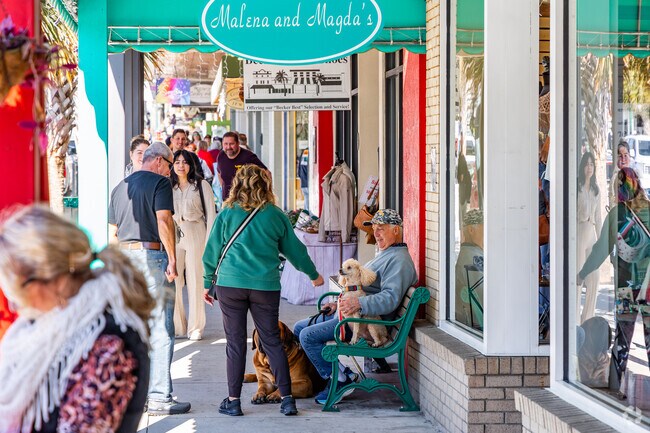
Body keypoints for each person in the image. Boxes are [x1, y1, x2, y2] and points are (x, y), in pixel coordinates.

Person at [0, 205, 154, 432]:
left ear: (55, 278)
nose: (14, 303)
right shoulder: (50, 324)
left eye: (18, 288)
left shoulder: (108, 347)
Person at [202, 164, 324, 417]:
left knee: (235, 344)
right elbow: (295, 251)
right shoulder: (275, 215)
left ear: (238, 184)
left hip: (230, 285)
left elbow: (211, 251)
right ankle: (288, 400)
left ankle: (234, 402)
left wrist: (207, 282)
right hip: (265, 287)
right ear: (266, 185)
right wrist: (313, 275)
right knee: (272, 341)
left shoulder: (226, 214)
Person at [294, 209, 418, 405]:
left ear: (396, 230)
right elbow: (362, 288)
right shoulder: (387, 253)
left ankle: (342, 379)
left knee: (307, 336)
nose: (376, 234)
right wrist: (339, 303)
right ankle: (331, 375)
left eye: (381, 229)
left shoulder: (399, 261)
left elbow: (390, 299)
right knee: (299, 327)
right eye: (374, 229)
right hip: (353, 315)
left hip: (365, 323)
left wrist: (358, 303)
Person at [108, 142, 191, 415]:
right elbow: (164, 220)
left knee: (134, 328)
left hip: (127, 260)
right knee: (161, 329)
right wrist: (173, 258)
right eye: (168, 165)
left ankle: (136, 395)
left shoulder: (120, 188)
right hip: (153, 258)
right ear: (158, 161)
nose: (169, 171)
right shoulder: (160, 183)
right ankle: (158, 396)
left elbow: (113, 234)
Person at [578, 167, 650, 392]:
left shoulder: (616, 214)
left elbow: (600, 251)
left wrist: (581, 273)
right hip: (649, 288)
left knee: (622, 341)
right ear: (637, 184)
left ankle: (616, 386)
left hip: (625, 289)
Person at [171, 150, 216, 341]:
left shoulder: (201, 185)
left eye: (185, 162)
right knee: (174, 280)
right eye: (177, 162)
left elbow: (212, 216)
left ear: (191, 165)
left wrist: (209, 244)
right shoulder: (169, 186)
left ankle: (196, 327)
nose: (181, 165)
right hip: (175, 233)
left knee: (196, 280)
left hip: (196, 231)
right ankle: (177, 325)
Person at [576, 152, 602, 324]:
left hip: (592, 234)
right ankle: (575, 322)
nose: (589, 167)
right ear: (582, 167)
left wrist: (601, 242)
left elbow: (599, 217)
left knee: (595, 279)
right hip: (578, 234)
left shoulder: (596, 190)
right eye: (587, 164)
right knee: (578, 279)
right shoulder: (576, 188)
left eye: (592, 164)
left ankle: (588, 319)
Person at [216, 131, 268, 201]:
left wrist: (264, 194)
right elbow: (219, 173)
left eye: (231, 144)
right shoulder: (221, 156)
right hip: (227, 201)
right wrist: (223, 187)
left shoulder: (248, 156)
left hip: (246, 202)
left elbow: (266, 173)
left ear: (238, 143)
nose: (228, 147)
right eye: (225, 144)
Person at [454, 209, 484, 330]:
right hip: (477, 321)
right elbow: (483, 293)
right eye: (484, 228)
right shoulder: (474, 257)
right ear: (471, 230)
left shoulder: (468, 253)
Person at [297, 147, 310, 212]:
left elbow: (299, 170)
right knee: (309, 207)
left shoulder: (304, 152)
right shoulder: (310, 152)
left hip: (304, 182)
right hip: (308, 183)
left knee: (306, 205)